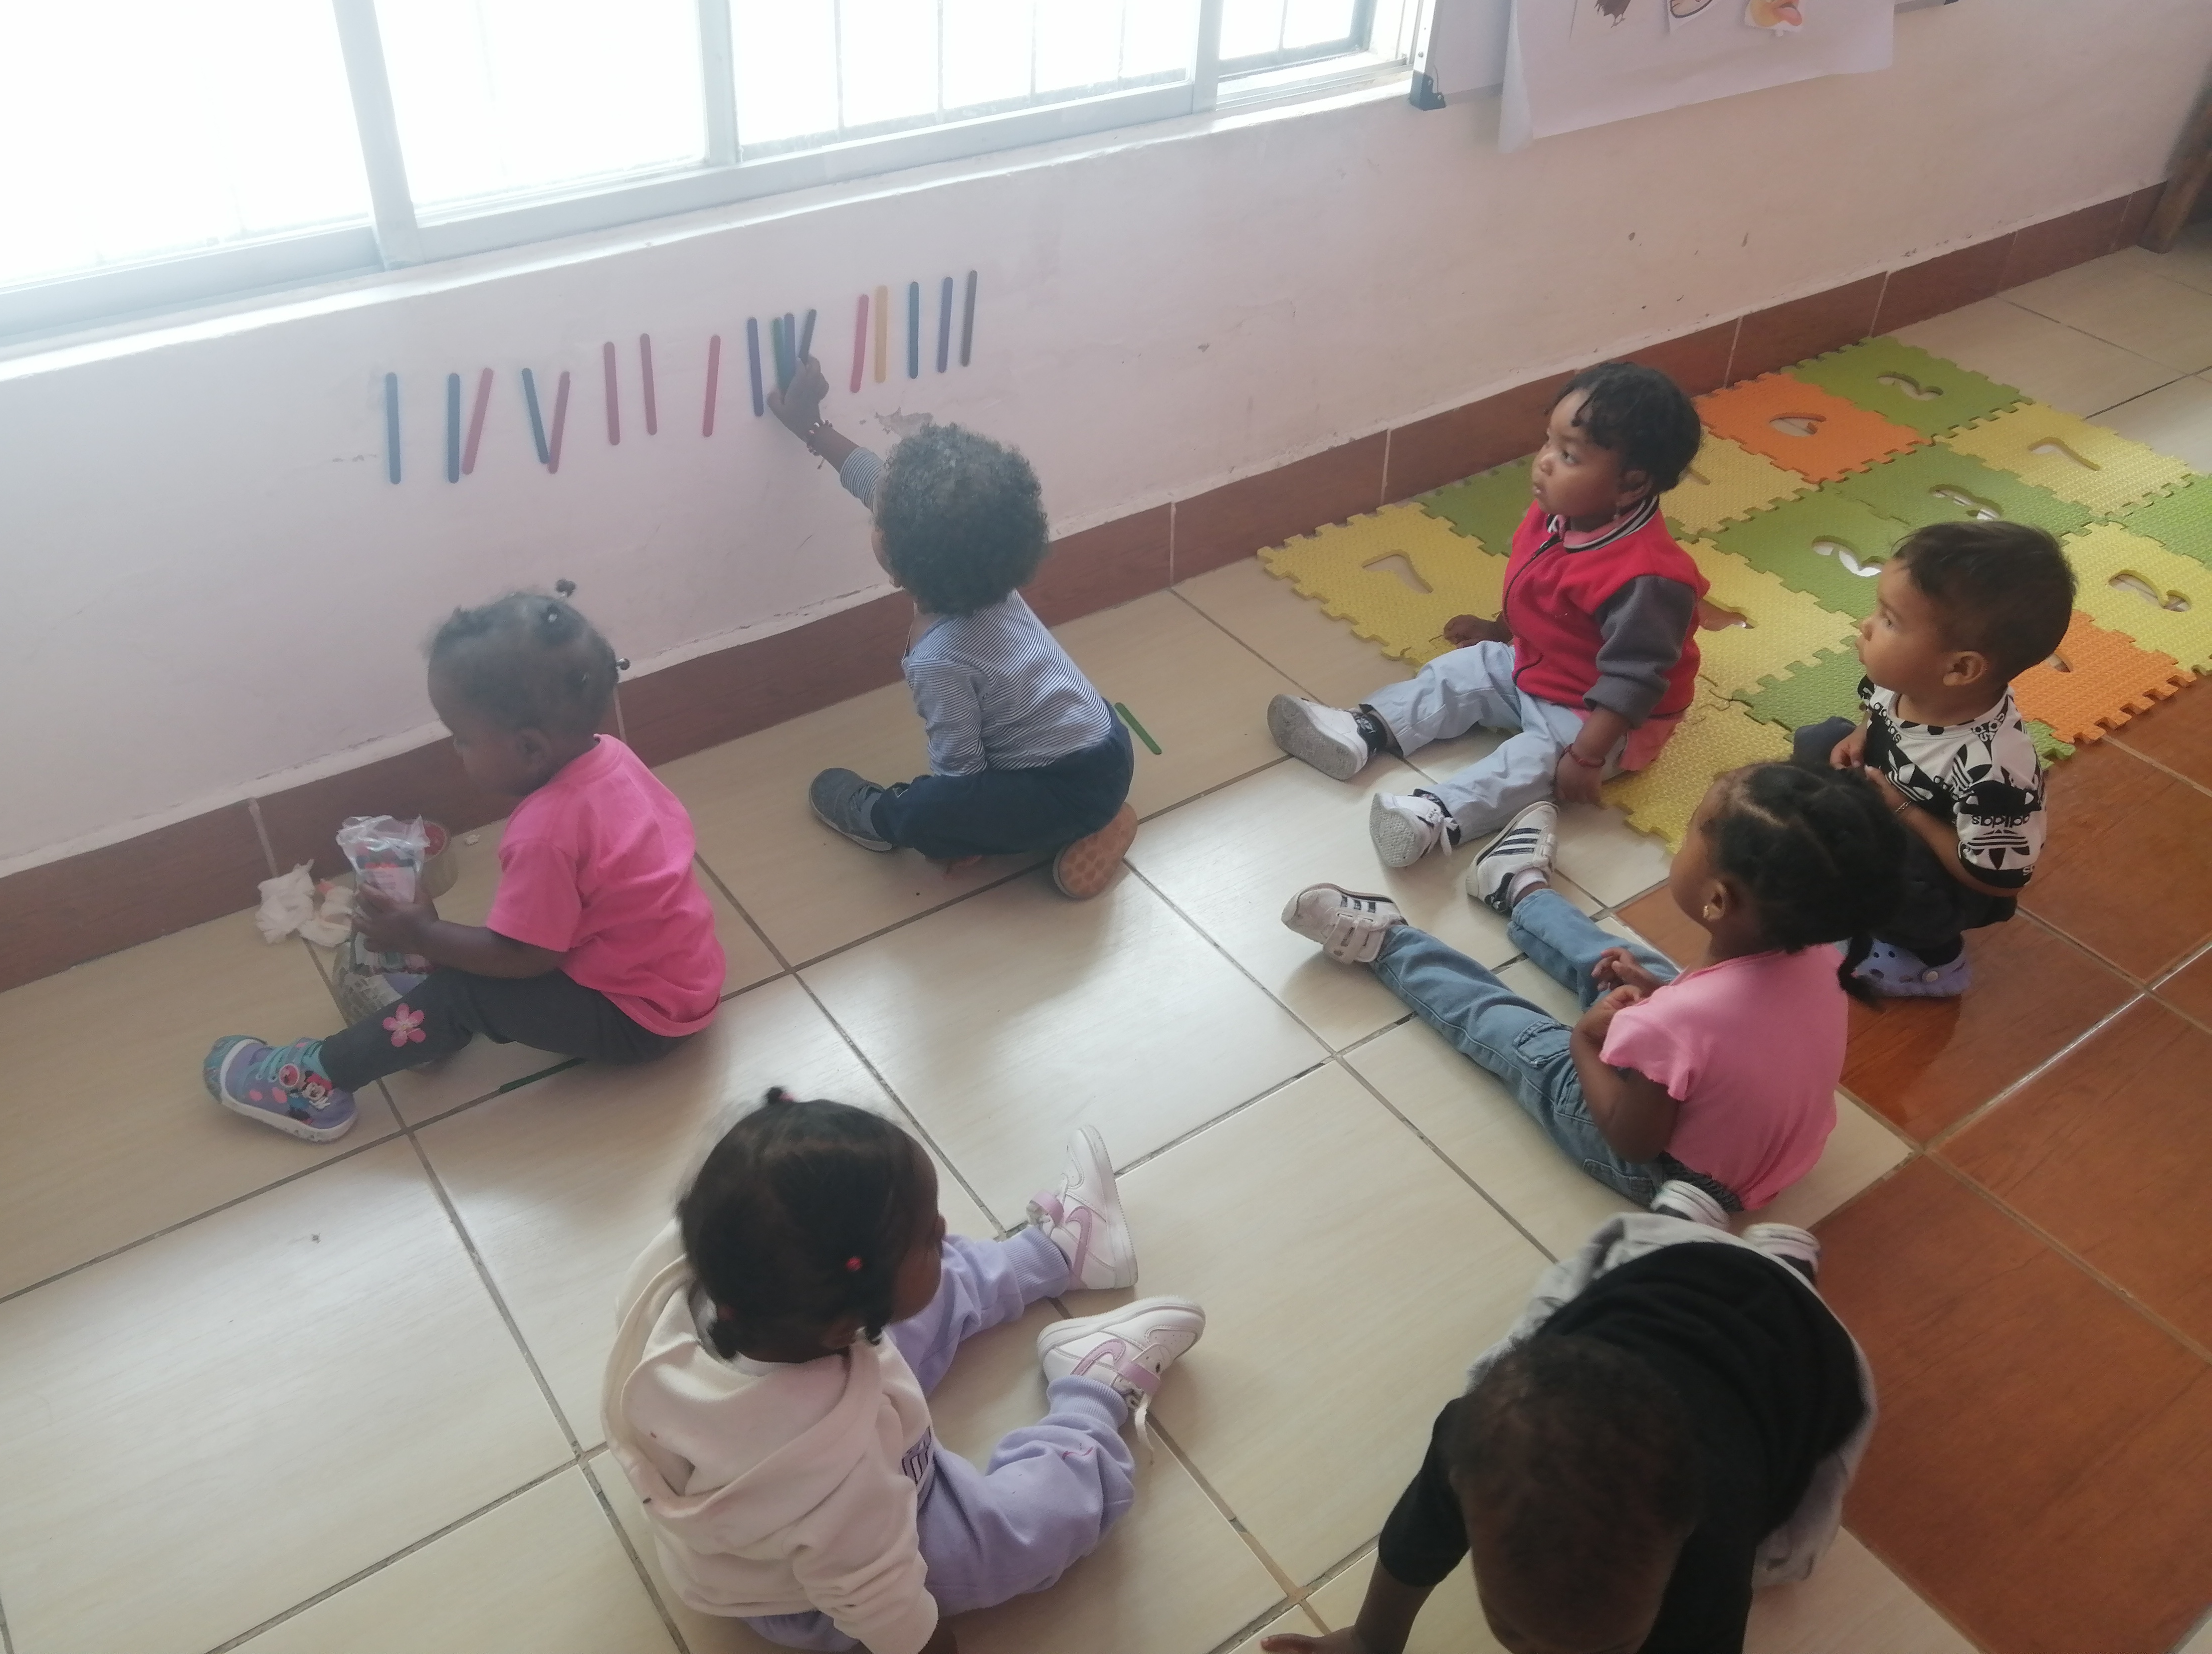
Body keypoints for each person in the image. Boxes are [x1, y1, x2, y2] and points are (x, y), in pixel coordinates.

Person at [602, 1095, 1204, 1654]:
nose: (943, 1230)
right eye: (930, 1238)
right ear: (845, 1329)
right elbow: (876, 1597)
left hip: (796, 1454)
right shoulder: (833, 1476)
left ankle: (1057, 1255)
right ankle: (1092, 1391)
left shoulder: (727, 1264)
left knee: (911, 1293)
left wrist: (906, 1259)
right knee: (1023, 1534)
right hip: (812, 1590)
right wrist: (925, 1643)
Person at [202, 588, 725, 1141]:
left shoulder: (545, 833)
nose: (455, 750)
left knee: (464, 994)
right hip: (684, 976)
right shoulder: (612, 755)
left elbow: (528, 958)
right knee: (473, 956)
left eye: (463, 738)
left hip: (638, 1020)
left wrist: (425, 935)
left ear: (529, 748)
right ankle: (425, 1032)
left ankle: (316, 1083)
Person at [1280, 762, 1906, 1214]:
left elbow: (1633, 1140)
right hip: (1775, 1154)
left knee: (1524, 1038)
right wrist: (1658, 996)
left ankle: (1389, 944)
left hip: (1670, 1176)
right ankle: (1519, 889)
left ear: (1717, 899)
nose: (1682, 842)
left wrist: (1584, 1042)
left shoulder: (1680, 1022)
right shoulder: (1820, 954)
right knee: (1630, 964)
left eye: (1692, 832)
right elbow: (1715, 1026)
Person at [1260, 1209, 1874, 1654]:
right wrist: (1369, 1641)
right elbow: (1414, 1540)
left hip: (1807, 1353)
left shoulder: (1713, 1560)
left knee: (1787, 1557)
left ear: (1687, 1538)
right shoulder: (1474, 1446)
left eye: (1609, 1651)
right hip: (1664, 1261)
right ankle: (1724, 1235)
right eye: (1514, 1635)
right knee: (1504, 1382)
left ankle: (1788, 1265)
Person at [1266, 361, 1707, 870]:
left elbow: (1635, 679)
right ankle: (1366, 730)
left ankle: (1438, 816)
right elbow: (1537, 589)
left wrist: (1588, 755)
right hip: (1540, 667)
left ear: (1631, 485)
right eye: (1548, 442)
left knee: (1534, 761)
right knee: (1461, 670)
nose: (1543, 462)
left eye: (1568, 455)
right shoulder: (1558, 514)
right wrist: (1499, 631)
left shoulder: (1648, 579)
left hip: (1601, 716)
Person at [766, 354, 1138, 899]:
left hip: (1062, 789)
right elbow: (876, 481)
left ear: (898, 566)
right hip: (1108, 745)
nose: (875, 509)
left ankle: (879, 819)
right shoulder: (984, 566)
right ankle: (1101, 815)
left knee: (928, 810)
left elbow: (961, 770)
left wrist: (961, 831)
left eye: (878, 520)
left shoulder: (940, 658)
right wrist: (812, 426)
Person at [1794, 519, 2073, 997]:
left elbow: (1999, 880)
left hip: (1947, 874)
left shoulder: (1995, 771)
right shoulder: (1904, 681)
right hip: (1889, 797)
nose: (1866, 625)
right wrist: (1860, 736)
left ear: (1960, 668)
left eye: (1889, 621)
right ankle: (1841, 870)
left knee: (1888, 869)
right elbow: (1877, 712)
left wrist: (1904, 810)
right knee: (1820, 742)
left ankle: (1935, 960)